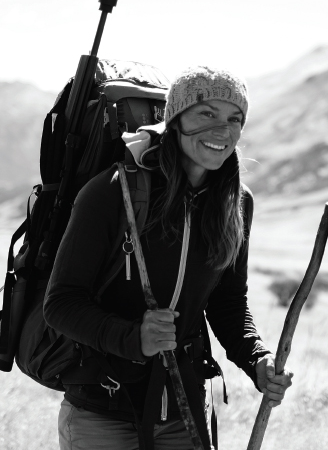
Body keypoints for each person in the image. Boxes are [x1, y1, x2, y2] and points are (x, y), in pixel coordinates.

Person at [44, 66, 293, 450]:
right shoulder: (114, 192)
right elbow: (60, 303)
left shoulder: (235, 203)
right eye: (206, 114)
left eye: (234, 119)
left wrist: (256, 359)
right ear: (175, 120)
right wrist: (133, 338)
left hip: (184, 410)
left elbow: (228, 303)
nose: (222, 131)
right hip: (103, 410)